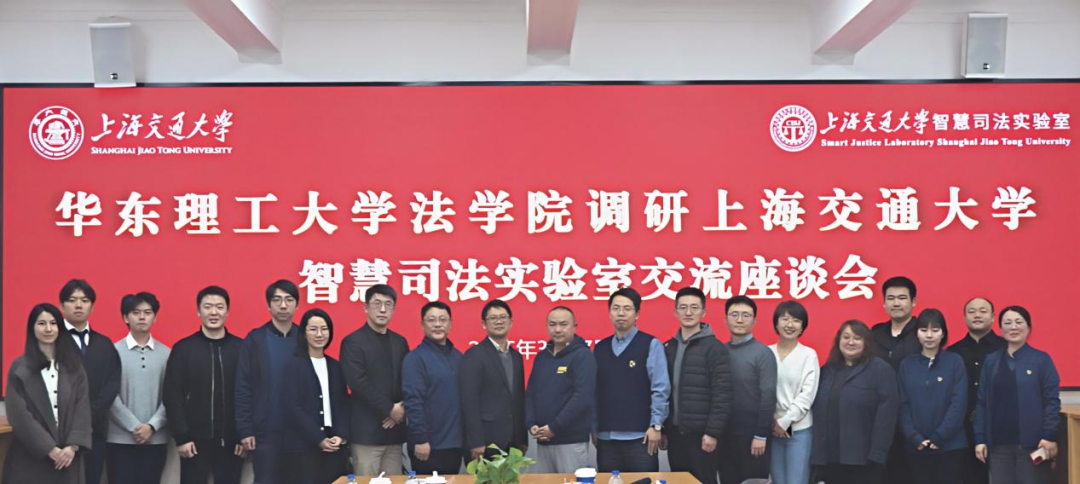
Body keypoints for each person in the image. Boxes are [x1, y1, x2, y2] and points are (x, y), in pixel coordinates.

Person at [162, 286, 246, 484]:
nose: (214, 312)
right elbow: (172, 395)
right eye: (207, 307)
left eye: (219, 307)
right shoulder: (183, 349)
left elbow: (249, 394)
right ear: (198, 311)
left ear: (228, 312)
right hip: (193, 444)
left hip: (233, 443)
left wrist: (244, 434)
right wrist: (182, 437)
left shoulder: (242, 349)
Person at [3, 303, 92, 484]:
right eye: (41, 323)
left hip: (67, 458)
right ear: (32, 328)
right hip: (30, 458)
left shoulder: (75, 368)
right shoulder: (19, 368)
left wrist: (72, 447)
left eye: (53, 323)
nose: (48, 329)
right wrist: (48, 448)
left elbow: (82, 410)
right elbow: (18, 414)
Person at [974, 306, 1060, 484]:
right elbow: (982, 402)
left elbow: (1051, 401)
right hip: (998, 445)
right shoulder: (991, 361)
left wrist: (1049, 435)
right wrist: (980, 438)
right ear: (1000, 328)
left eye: (1019, 322)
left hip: (1033, 445)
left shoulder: (1041, 360)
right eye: (1007, 323)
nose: (1013, 327)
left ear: (1029, 328)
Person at [810, 320, 898, 484]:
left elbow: (887, 417)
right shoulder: (827, 370)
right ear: (839, 340)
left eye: (857, 338)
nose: (850, 342)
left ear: (866, 342)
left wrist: (877, 454)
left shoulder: (881, 370)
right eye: (846, 337)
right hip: (830, 458)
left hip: (864, 459)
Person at [594, 287, 670, 473]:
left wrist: (656, 426)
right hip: (606, 437)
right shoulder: (600, 348)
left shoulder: (651, 344)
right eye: (616, 308)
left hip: (641, 437)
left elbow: (660, 388)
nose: (621, 313)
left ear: (637, 314)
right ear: (609, 313)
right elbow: (595, 391)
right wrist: (594, 428)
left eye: (627, 308)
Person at [661, 287, 731, 484]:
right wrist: (664, 429)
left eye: (694, 307)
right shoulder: (668, 347)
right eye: (683, 307)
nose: (688, 312)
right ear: (675, 312)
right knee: (679, 482)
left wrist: (712, 432)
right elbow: (663, 392)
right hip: (675, 434)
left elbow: (723, 395)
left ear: (703, 312)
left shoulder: (715, 348)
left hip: (702, 436)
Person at [339, 284, 410, 475]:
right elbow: (357, 383)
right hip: (367, 434)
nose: (383, 309)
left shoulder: (400, 341)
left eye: (388, 304)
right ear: (365, 307)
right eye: (377, 303)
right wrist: (389, 409)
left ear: (394, 309)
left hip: (394, 434)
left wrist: (401, 408)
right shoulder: (353, 342)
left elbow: (408, 380)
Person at [235, 280, 300, 484]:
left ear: (297, 305)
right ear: (268, 305)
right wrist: (245, 430)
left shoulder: (305, 338)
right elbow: (243, 386)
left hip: (301, 432)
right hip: (265, 432)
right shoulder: (255, 340)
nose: (283, 305)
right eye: (277, 300)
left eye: (289, 300)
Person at [59, 279, 121, 484]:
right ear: (62, 306)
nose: (78, 305)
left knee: (92, 478)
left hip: (95, 430)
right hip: (60, 432)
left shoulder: (104, 344)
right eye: (72, 300)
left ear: (92, 307)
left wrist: (89, 416)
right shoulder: (52, 340)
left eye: (84, 300)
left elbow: (112, 383)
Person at [898, 308, 969, 484]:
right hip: (917, 446)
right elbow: (902, 404)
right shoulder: (907, 364)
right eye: (924, 330)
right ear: (917, 333)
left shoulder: (955, 361)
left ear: (943, 333)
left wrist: (940, 436)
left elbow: (958, 403)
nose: (929, 335)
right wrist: (914, 437)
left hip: (950, 446)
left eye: (935, 330)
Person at [107, 293, 171, 484]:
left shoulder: (167, 353)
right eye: (136, 312)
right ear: (125, 317)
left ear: (155, 317)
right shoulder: (112, 352)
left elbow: (172, 395)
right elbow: (109, 396)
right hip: (119, 440)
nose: (142, 317)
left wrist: (152, 426)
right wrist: (135, 426)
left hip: (156, 439)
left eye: (147, 312)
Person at [282, 309, 351, 484]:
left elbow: (343, 405)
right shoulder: (293, 365)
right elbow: (292, 407)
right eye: (313, 329)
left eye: (324, 329)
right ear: (304, 333)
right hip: (304, 446)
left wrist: (341, 436)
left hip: (334, 445)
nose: (319, 334)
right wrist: (318, 438)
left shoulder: (335, 366)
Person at [525, 306, 596, 474]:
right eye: (552, 324)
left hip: (571, 441)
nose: (557, 329)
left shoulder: (583, 356)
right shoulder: (542, 356)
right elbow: (530, 394)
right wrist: (531, 424)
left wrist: (554, 428)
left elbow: (582, 397)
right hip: (543, 440)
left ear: (574, 326)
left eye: (563, 324)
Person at [718, 295, 777, 484]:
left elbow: (768, 396)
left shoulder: (763, 353)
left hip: (753, 437)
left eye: (746, 315)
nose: (740, 320)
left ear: (754, 321)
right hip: (724, 435)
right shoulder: (719, 351)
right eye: (734, 314)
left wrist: (760, 435)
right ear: (725, 319)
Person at [402, 302, 465, 475]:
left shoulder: (458, 357)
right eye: (431, 320)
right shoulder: (415, 359)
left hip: (454, 443)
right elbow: (413, 402)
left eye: (443, 320)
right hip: (428, 446)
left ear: (450, 324)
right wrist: (420, 439)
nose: (438, 324)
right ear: (422, 325)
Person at [948, 297, 1005, 484]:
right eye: (971, 312)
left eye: (983, 311)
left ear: (993, 317)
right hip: (962, 430)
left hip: (1000, 427)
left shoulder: (1006, 348)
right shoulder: (952, 352)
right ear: (964, 317)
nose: (977, 315)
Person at [461, 300, 527, 461]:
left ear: (511, 322)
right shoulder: (474, 355)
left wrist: (522, 438)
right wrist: (475, 441)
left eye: (503, 317)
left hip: (514, 442)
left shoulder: (516, 356)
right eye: (493, 318)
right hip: (485, 442)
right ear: (484, 324)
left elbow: (519, 398)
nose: (499, 321)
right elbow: (469, 401)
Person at [870, 276, 920, 484]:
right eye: (891, 298)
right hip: (879, 416)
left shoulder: (923, 331)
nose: (896, 303)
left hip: (915, 416)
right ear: (883, 303)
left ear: (913, 302)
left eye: (902, 298)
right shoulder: (875, 333)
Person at [768, 300, 819, 484]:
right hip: (772, 429)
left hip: (799, 430)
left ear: (802, 327)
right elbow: (760, 391)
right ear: (776, 323)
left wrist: (785, 422)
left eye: (796, 320)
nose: (790, 325)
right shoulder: (766, 352)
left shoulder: (808, 355)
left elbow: (807, 394)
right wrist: (773, 420)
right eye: (785, 319)